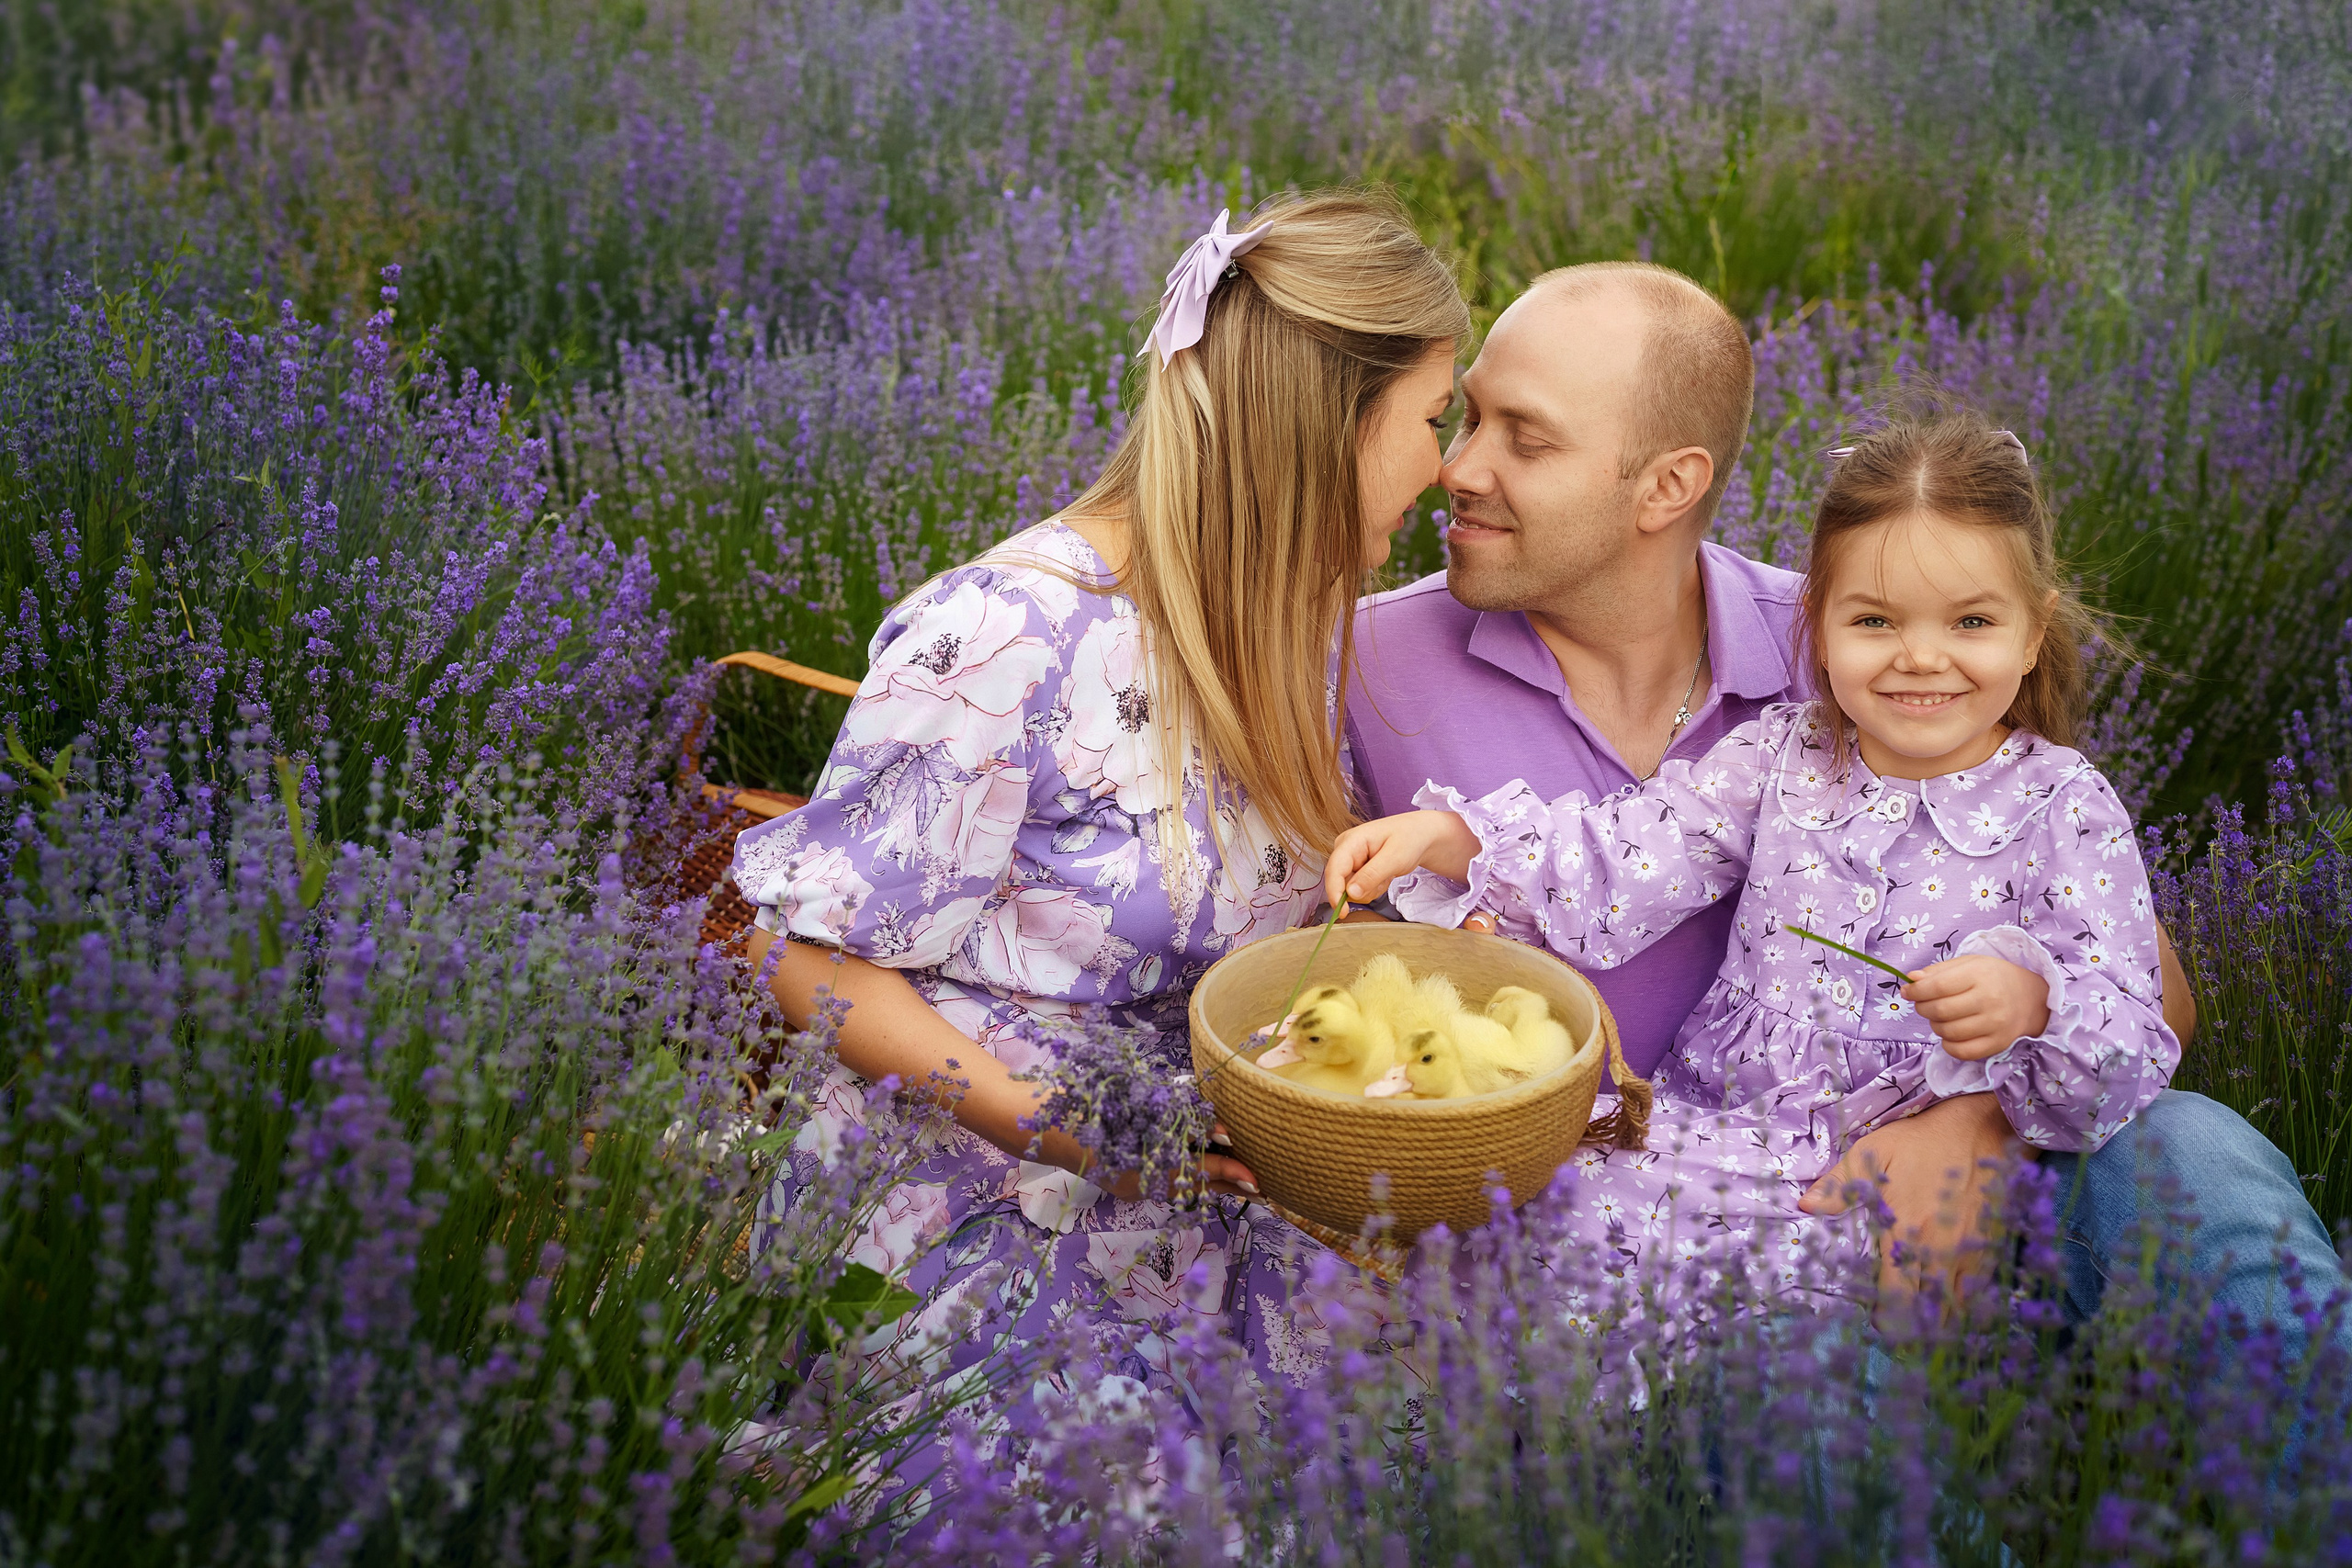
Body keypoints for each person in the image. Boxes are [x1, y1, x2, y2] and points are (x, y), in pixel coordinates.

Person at [1342, 263, 2350, 1346]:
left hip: (1980, 1167)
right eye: (1467, 419)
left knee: (2197, 1155)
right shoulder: (1370, 665)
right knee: (1762, 1353)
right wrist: (1460, 847)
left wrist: (1975, 1121)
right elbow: (1605, 861)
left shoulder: (1869, 660)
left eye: (1522, 438)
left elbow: (2144, 997)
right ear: (1837, 620)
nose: (1455, 468)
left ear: (1667, 485)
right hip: (1714, 1180)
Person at [729, 189, 1468, 1389]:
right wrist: (1078, 1130)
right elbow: (804, 961)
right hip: (975, 1209)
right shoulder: (1008, 633)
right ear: (1329, 424)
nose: (1444, 466)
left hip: (1186, 1196)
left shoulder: (1282, 625)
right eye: (1432, 416)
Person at [1329, 411, 2177, 1308]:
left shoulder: (2063, 805)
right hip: (1723, 1138)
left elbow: (2127, 1036)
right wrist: (1459, 844)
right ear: (1816, 626)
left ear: (2032, 632)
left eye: (1970, 621)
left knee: (1828, 1315)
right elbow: (1631, 854)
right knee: (1541, 1223)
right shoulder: (1785, 755)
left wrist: (2033, 1003)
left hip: (1902, 1162)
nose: (1920, 657)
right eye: (1875, 620)